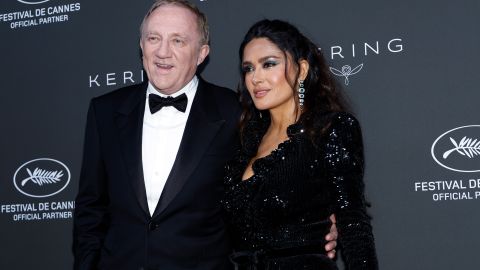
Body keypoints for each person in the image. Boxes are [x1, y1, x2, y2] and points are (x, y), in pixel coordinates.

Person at [73, 1, 337, 270]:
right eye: (154, 38)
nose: (162, 52)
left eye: (178, 41)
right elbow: (90, 209)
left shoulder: (237, 113)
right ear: (141, 45)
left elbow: (278, 182)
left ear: (202, 54)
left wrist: (320, 222)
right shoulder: (104, 111)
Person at [221, 19, 379, 269]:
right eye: (248, 68)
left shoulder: (330, 129)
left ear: (302, 69)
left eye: (269, 64)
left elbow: (353, 224)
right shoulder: (244, 141)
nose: (256, 78)